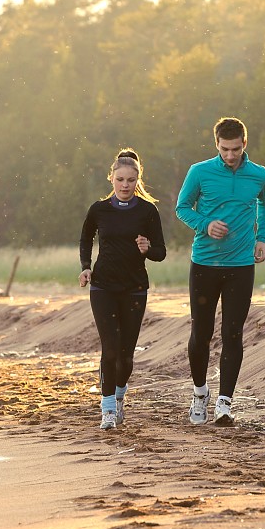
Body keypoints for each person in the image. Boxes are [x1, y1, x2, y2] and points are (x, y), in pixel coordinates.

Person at [175, 116, 265, 425]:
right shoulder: (200, 172)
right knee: (201, 333)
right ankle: (200, 394)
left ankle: (225, 402)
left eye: (235, 149)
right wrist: (205, 224)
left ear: (245, 144)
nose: (230, 155)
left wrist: (262, 238)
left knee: (233, 333)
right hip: (204, 264)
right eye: (224, 149)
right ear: (216, 144)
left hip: (241, 266)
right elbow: (182, 208)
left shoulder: (258, 174)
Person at [79, 149, 166, 430]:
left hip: (134, 288)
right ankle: (106, 409)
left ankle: (118, 397)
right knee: (111, 350)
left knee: (126, 355)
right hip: (102, 286)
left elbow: (161, 252)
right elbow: (85, 238)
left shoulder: (147, 211)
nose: (125, 185)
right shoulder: (99, 209)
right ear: (111, 179)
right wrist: (85, 266)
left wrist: (147, 249)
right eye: (120, 179)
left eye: (130, 180)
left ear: (138, 179)